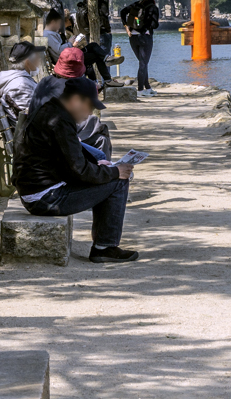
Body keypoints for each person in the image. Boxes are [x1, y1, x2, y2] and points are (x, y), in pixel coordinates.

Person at [12, 73, 138, 262]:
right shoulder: (60, 121)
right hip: (46, 198)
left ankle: (104, 244)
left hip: (36, 190)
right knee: (119, 181)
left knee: (110, 174)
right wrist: (113, 171)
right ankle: (105, 247)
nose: (89, 114)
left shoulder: (51, 110)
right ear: (76, 100)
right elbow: (79, 171)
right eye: (89, 107)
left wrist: (99, 165)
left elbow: (69, 159)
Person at [52, 45, 112, 154]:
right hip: (60, 135)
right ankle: (107, 168)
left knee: (101, 137)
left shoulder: (46, 84)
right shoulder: (74, 89)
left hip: (54, 132)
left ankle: (106, 167)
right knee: (97, 125)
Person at [0, 41, 45, 127]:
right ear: (28, 62)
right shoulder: (21, 85)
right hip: (31, 135)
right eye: (37, 58)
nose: (39, 61)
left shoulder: (18, 80)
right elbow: (30, 117)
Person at [119, 0, 160, 94]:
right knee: (143, 63)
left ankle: (148, 88)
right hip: (145, 37)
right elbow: (155, 25)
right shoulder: (153, 7)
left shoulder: (137, 4)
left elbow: (123, 12)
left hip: (133, 37)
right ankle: (140, 90)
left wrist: (126, 28)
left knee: (143, 63)